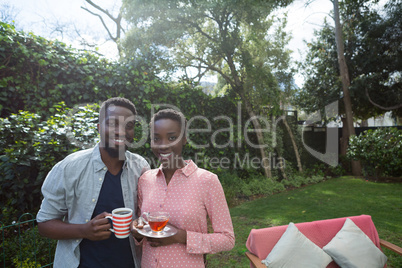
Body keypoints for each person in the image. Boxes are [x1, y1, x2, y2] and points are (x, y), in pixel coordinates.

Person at [37, 97, 150, 268]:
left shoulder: (141, 167)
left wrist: (140, 230)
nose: (121, 131)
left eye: (129, 125)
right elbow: (44, 224)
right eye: (112, 124)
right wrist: (84, 231)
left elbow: (145, 217)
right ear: (99, 128)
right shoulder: (70, 167)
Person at [131, 109, 235, 267]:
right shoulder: (145, 180)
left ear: (184, 139)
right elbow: (142, 226)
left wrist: (180, 236)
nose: (163, 145)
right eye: (156, 138)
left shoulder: (207, 181)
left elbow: (227, 239)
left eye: (172, 137)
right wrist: (137, 233)